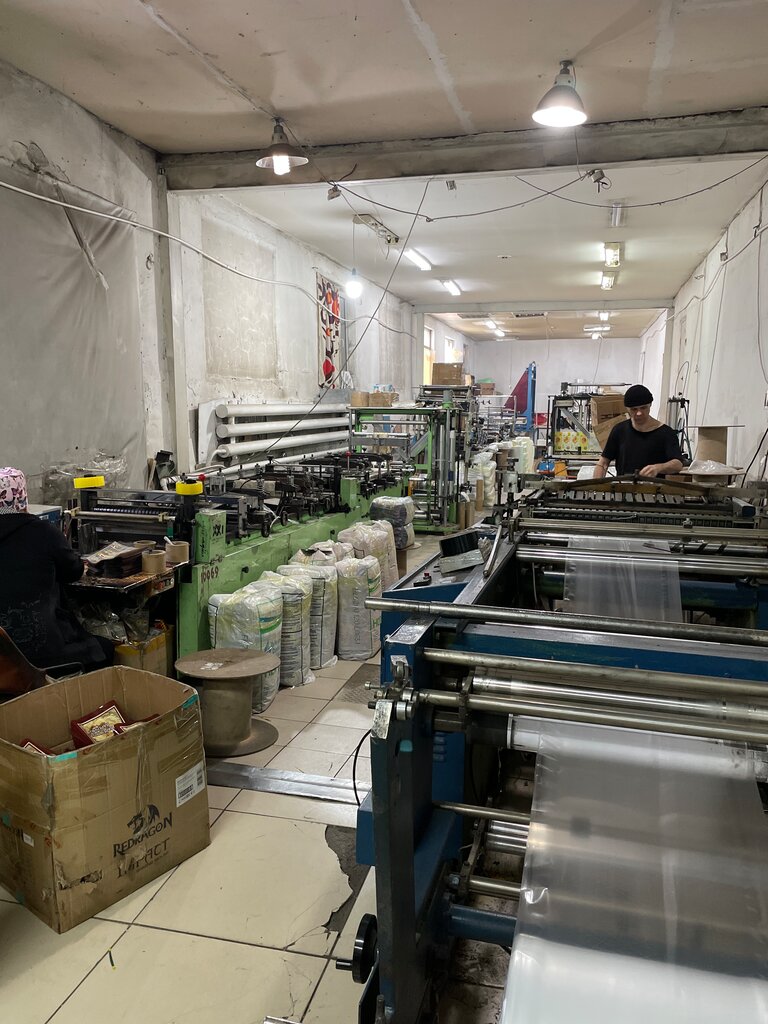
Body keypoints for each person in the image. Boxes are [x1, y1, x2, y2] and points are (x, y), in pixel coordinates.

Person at [0, 467, 113, 671]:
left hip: (3, 656)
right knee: (105, 649)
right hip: (41, 651)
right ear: (22, 496)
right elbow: (73, 571)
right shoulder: (42, 531)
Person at [593, 385, 684, 479]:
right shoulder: (619, 430)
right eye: (634, 409)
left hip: (654, 487)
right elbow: (603, 463)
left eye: (643, 408)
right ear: (627, 409)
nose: (639, 413)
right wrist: (596, 485)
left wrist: (658, 468)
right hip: (623, 487)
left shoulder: (666, 433)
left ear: (650, 405)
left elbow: (678, 464)